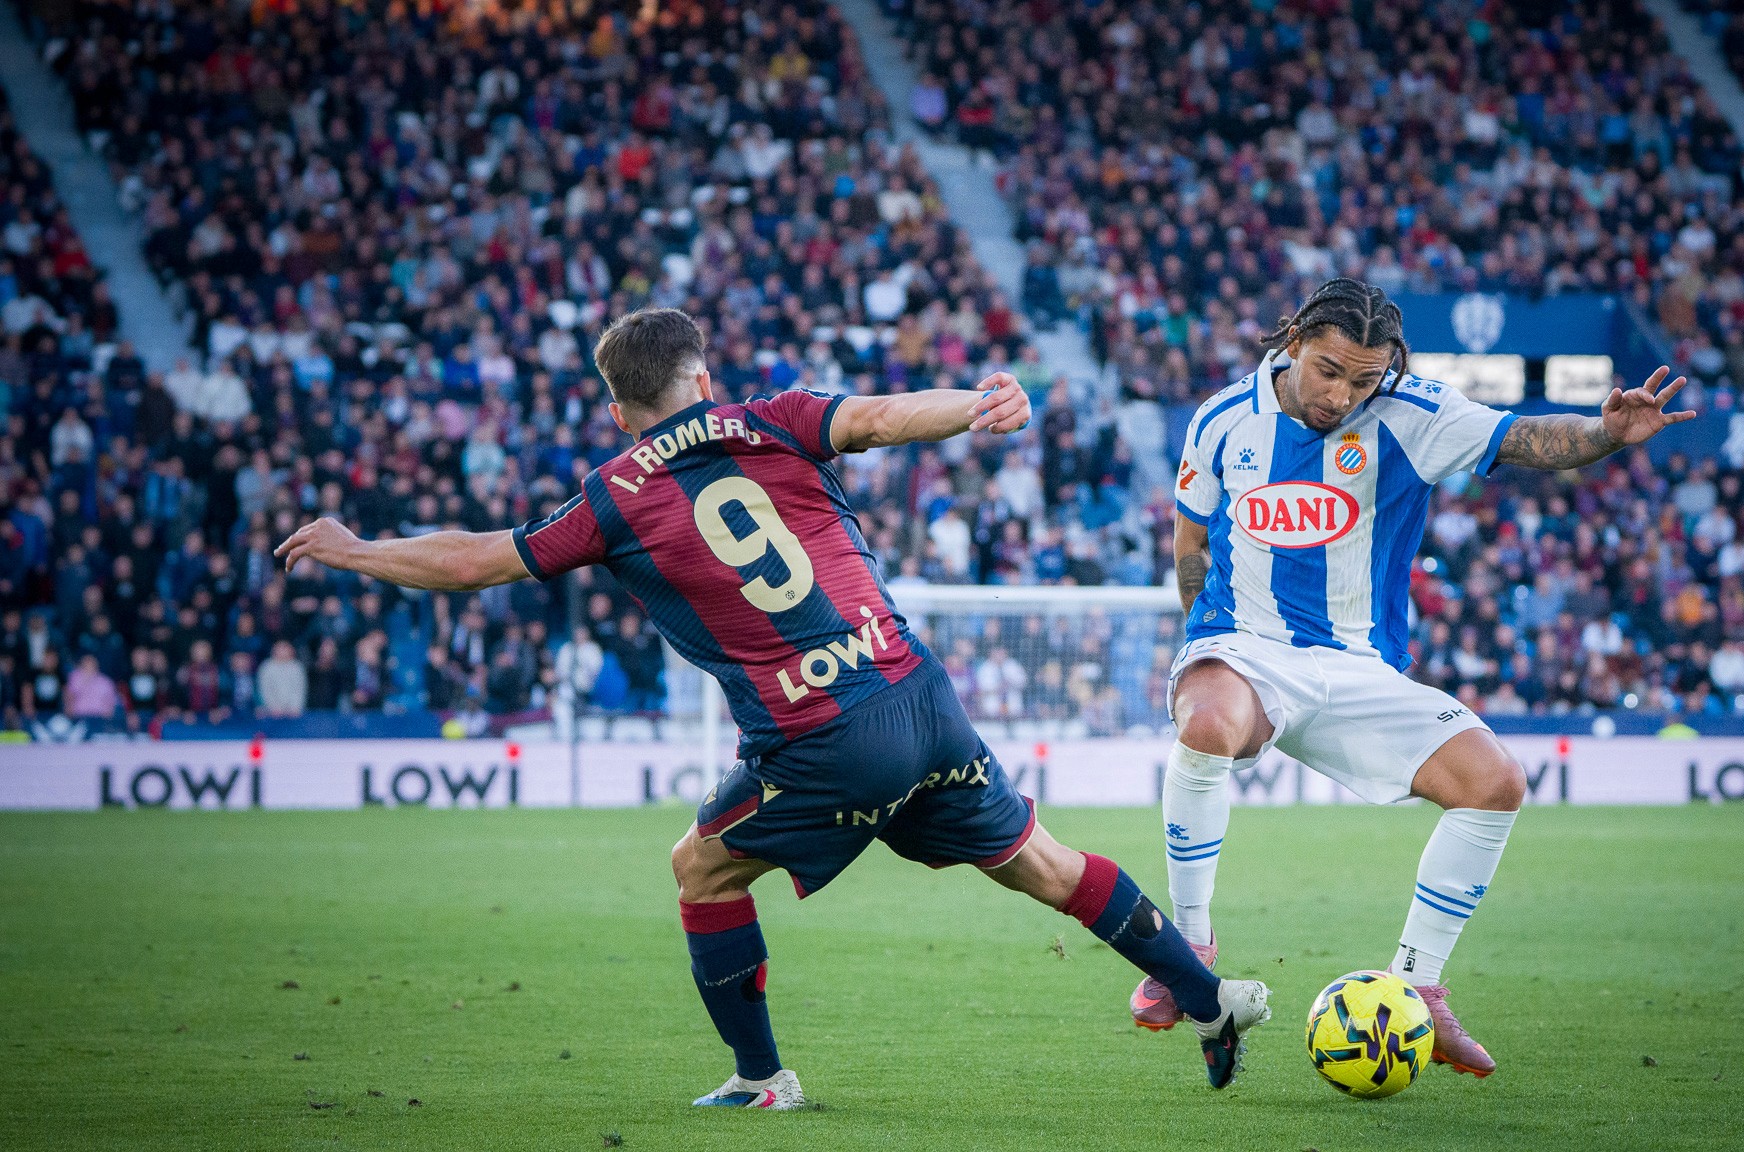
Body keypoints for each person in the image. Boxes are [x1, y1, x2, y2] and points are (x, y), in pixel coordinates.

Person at [275, 308, 1268, 1109]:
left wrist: (354, 548)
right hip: (920, 694)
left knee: (701, 868)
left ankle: (760, 1078)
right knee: (1043, 865)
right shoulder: (775, 418)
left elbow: (475, 561)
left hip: (824, 734)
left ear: (619, 412)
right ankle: (1209, 997)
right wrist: (977, 404)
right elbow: (881, 418)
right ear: (703, 378)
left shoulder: (612, 496)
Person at [1138, 278, 1696, 1077]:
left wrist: (1604, 433)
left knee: (1495, 782)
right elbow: (1190, 542)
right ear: (1294, 344)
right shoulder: (1223, 418)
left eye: (1364, 379)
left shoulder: (1416, 413)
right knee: (1205, 725)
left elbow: (1524, 438)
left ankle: (1419, 988)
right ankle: (1188, 953)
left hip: (1360, 668)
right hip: (1248, 646)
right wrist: (1206, 644)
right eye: (1330, 371)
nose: (1342, 395)